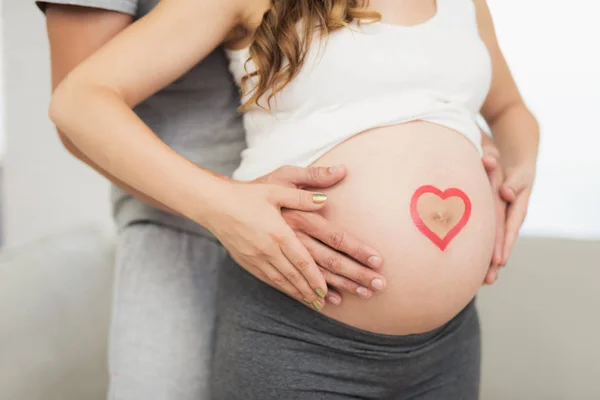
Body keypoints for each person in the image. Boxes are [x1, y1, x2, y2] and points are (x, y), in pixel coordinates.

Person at [45, 0, 534, 398]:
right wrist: (222, 203)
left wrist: (516, 175)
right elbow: (79, 100)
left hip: (448, 344)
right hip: (298, 333)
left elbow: (510, 110)